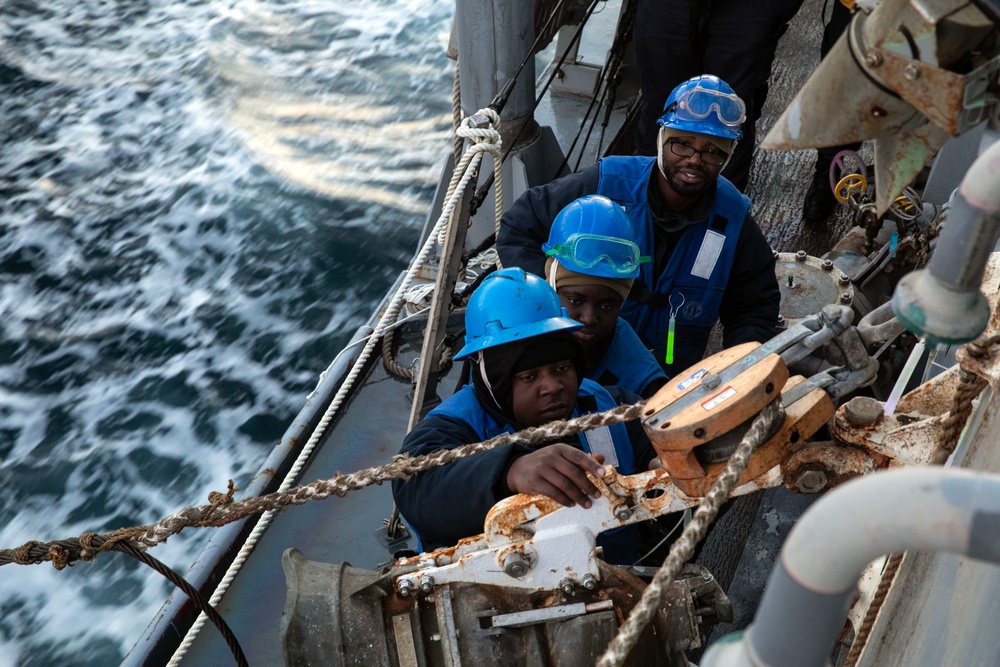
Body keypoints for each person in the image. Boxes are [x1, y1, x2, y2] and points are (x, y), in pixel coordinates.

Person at [498, 75, 780, 377]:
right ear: (661, 139)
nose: (695, 160)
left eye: (712, 151)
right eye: (682, 144)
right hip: (576, 366)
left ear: (727, 158)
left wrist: (739, 372)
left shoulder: (733, 218)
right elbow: (519, 227)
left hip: (666, 384)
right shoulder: (606, 183)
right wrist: (548, 301)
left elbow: (754, 308)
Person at [392, 268, 657, 565]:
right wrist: (510, 470)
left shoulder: (607, 404)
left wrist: (666, 454)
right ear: (496, 381)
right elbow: (417, 489)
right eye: (529, 376)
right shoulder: (450, 429)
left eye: (562, 369)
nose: (553, 387)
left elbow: (651, 433)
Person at [632, 0, 806, 192]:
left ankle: (719, 209)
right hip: (668, 9)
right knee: (659, 107)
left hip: (747, 11)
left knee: (732, 115)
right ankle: (647, 202)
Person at [542, 194, 667, 399]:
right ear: (551, 287)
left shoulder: (636, 369)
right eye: (575, 301)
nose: (589, 319)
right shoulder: (513, 337)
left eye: (607, 307)